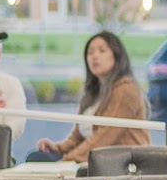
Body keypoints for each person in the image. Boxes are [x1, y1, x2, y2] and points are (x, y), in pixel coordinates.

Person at [35, 31, 150, 162]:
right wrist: (58, 148)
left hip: (119, 163)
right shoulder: (93, 93)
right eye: (90, 53)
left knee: (41, 162)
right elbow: (78, 137)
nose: (95, 56)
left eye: (102, 51)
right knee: (37, 157)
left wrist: (67, 161)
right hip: (94, 160)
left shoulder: (126, 89)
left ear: (117, 55)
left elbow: (104, 137)